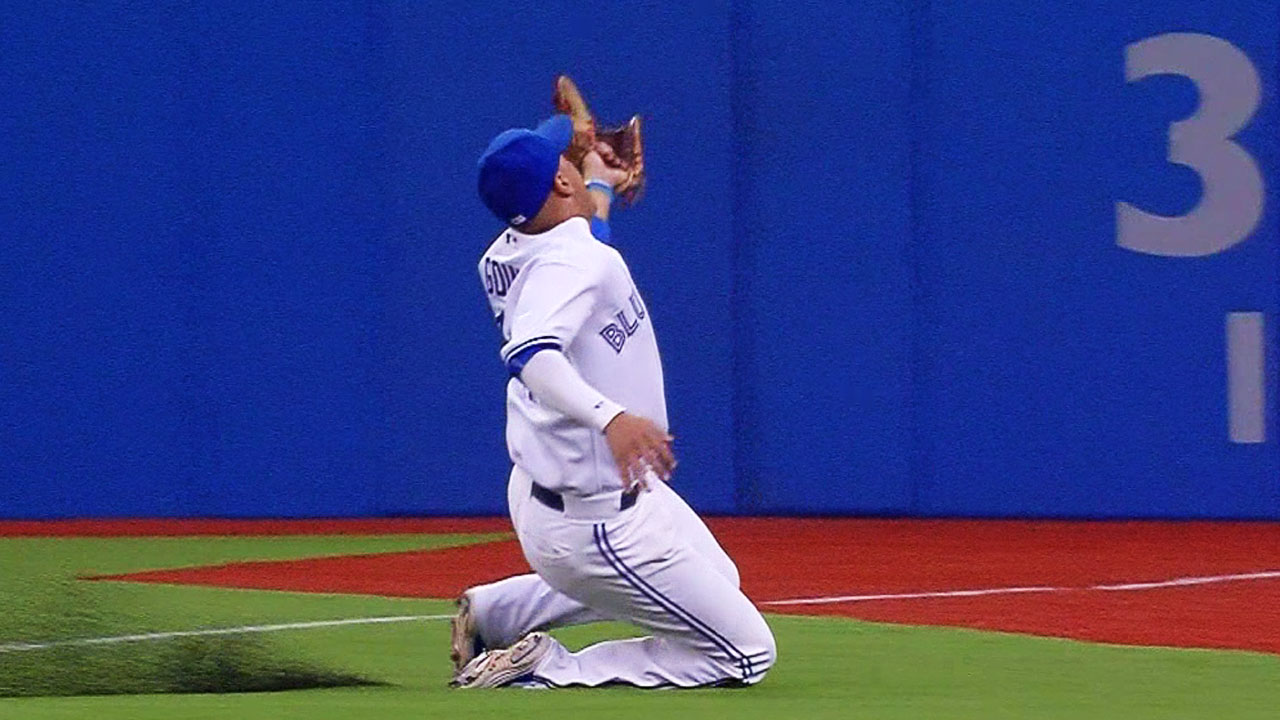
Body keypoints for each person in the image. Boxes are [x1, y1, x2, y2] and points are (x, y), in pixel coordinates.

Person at [452, 114, 775, 689]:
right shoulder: (571, 262)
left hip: (554, 497)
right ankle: (549, 666)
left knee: (719, 582)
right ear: (560, 185)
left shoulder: (513, 251)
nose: (571, 160)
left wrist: (598, 182)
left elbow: (583, 248)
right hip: (596, 524)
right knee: (745, 654)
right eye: (565, 162)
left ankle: (498, 612)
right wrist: (613, 417)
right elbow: (533, 352)